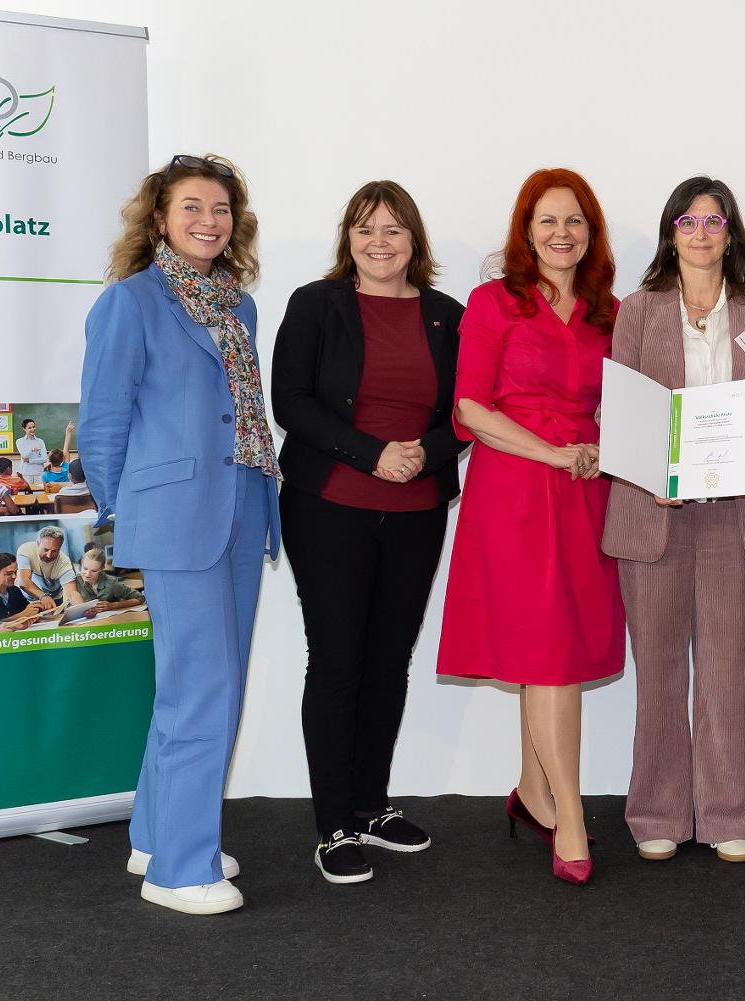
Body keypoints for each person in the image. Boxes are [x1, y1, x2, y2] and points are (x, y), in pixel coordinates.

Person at [79, 153, 281, 916]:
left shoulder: (238, 306)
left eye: (220, 208)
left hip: (243, 505)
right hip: (175, 517)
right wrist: (129, 510)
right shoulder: (130, 302)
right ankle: (181, 869)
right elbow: (102, 422)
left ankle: (158, 835)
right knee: (205, 688)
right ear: (160, 218)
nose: (208, 220)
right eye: (191, 206)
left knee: (198, 685)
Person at [272, 179, 465, 884]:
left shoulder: (448, 315)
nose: (379, 242)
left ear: (414, 240)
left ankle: (370, 805)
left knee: (389, 661)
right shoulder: (315, 304)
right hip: (329, 507)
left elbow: (467, 410)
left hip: (417, 511)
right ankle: (333, 825)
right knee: (337, 661)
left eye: (392, 229)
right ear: (347, 241)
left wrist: (423, 454)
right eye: (364, 229)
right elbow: (290, 400)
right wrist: (372, 453)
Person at [437, 168, 623, 886]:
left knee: (554, 645)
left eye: (574, 220)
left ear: (591, 232)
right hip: (515, 490)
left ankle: (532, 790)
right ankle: (569, 816)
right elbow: (470, 408)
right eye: (547, 220)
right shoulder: (493, 302)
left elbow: (625, 407)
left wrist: (605, 449)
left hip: (583, 492)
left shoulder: (609, 312)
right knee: (549, 657)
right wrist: (552, 452)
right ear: (526, 230)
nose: (561, 233)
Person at [601, 177, 745, 865]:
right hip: (655, 512)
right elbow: (617, 407)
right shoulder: (638, 309)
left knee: (729, 672)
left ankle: (730, 813)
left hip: (733, 515)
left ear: (730, 234)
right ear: (670, 234)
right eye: (688, 221)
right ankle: (656, 812)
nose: (701, 233)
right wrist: (653, 470)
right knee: (659, 673)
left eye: (714, 221)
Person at [16, 526, 84, 610]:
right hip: (27, 597)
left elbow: (72, 593)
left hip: (54, 597)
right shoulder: (26, 550)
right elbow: (24, 582)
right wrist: (43, 596)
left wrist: (83, 609)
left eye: (55, 551)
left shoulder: (64, 562)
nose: (49, 555)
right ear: (38, 543)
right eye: (46, 549)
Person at [75, 548, 146, 610]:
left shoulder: (111, 583)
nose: (87, 574)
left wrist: (112, 605)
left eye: (94, 571)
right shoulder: (75, 581)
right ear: (81, 563)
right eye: (85, 568)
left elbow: (140, 598)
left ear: (101, 569)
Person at [16, 418, 49, 483]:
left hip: (39, 473)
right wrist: (31, 450)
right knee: (27, 489)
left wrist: (30, 460)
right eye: (29, 428)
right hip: (26, 473)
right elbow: (24, 456)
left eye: (34, 427)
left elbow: (44, 459)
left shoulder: (40, 441)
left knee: (40, 489)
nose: (32, 429)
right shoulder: (20, 441)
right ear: (24, 429)